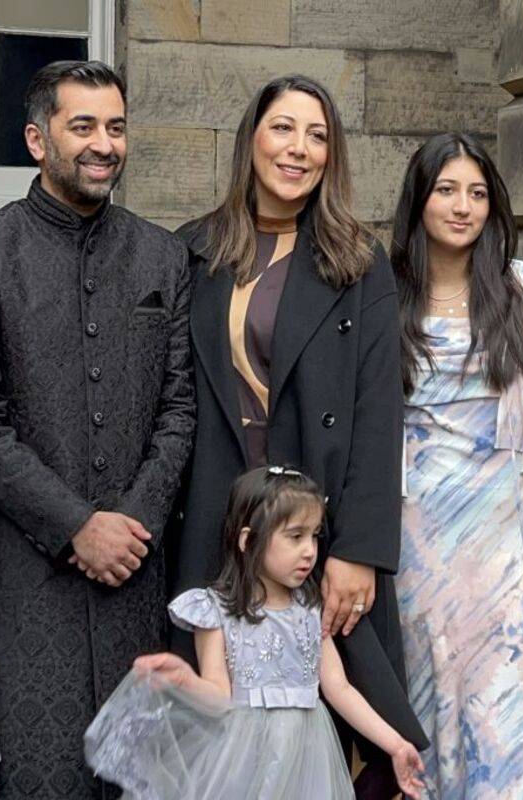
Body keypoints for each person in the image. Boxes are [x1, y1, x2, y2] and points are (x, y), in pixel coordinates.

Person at [0, 60, 195, 799]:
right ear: (37, 139)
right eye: (83, 126)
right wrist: (77, 527)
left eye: (115, 127)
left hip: (136, 586)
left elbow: (179, 411)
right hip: (26, 586)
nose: (104, 144)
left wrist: (131, 524)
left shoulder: (163, 255)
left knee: (140, 784)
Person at [172, 74, 426, 796]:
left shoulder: (358, 264)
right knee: (211, 739)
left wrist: (357, 550)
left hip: (317, 534)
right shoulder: (194, 253)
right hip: (217, 530)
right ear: (251, 137)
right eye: (283, 128)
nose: (299, 149)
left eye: (318, 136)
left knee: (359, 725)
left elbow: (380, 413)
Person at [390, 132, 523, 797]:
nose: (463, 207)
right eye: (447, 190)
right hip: (419, 549)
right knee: (430, 723)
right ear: (419, 200)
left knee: (503, 732)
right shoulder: (383, 296)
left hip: (517, 548)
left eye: (477, 193)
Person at [86, 467, 426, 800]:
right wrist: (186, 680)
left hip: (308, 758)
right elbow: (219, 695)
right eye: (295, 536)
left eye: (313, 536)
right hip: (243, 758)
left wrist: (395, 745)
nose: (309, 550)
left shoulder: (310, 610)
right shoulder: (216, 610)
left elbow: (339, 690)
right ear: (248, 540)